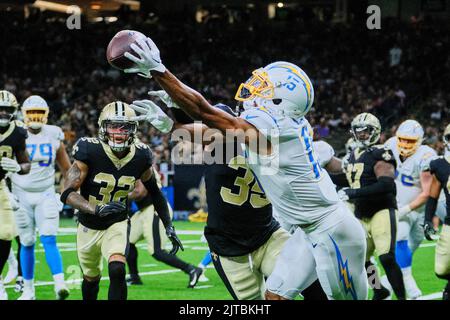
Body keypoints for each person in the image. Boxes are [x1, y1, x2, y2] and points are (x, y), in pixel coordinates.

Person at [123, 38, 367, 300]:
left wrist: (160, 71)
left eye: (265, 88)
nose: (255, 91)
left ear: (280, 100)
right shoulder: (275, 127)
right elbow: (209, 133)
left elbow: (205, 112)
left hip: (332, 232)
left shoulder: (273, 128)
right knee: (273, 295)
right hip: (307, 230)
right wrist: (169, 125)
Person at [60, 101, 182, 300]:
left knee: (117, 269)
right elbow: (67, 193)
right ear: (103, 128)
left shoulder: (141, 155)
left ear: (133, 130)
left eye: (125, 127)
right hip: (88, 224)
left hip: (117, 221)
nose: (119, 132)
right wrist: (95, 208)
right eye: (113, 126)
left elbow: (156, 193)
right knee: (91, 279)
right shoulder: (89, 149)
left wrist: (168, 225)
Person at [338, 113, 406, 300]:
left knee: (386, 257)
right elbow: (351, 181)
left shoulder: (380, 152)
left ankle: (402, 298)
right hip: (360, 213)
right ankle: (378, 290)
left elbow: (387, 185)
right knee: (361, 259)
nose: (362, 135)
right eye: (358, 132)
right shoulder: (352, 155)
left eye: (366, 131)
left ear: (374, 131)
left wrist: (353, 193)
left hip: (382, 209)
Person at [11, 95, 71, 300]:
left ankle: (60, 285)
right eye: (31, 113)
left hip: (46, 193)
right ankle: (28, 290)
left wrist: (63, 195)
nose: (35, 118)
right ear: (23, 115)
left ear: (46, 115)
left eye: (39, 113)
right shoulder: (14, 133)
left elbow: (67, 170)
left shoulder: (53, 134)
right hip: (20, 194)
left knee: (49, 237)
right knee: (26, 242)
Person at [384, 119, 436, 299]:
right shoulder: (390, 145)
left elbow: (427, 192)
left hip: (417, 210)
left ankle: (385, 283)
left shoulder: (426, 155)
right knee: (400, 240)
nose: (405, 144)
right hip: (395, 206)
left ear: (419, 141)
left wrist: (406, 209)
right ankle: (406, 282)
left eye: (410, 141)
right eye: (403, 139)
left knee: (411, 246)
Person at [126, 177, 203, 288]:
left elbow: (140, 192)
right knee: (127, 240)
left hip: (155, 209)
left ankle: (192, 269)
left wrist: (121, 196)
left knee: (157, 251)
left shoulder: (142, 165)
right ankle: (134, 277)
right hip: (143, 210)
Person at [0, 90, 31, 300]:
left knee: (6, 234)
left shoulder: (18, 132)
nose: (3, 113)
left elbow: (26, 163)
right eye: (0, 109)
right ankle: (12, 266)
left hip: (2, 186)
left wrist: (19, 168)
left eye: (7, 110)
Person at [423, 123, 450, 300]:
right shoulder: (440, 165)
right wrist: (427, 220)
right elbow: (432, 196)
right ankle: (380, 289)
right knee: (441, 269)